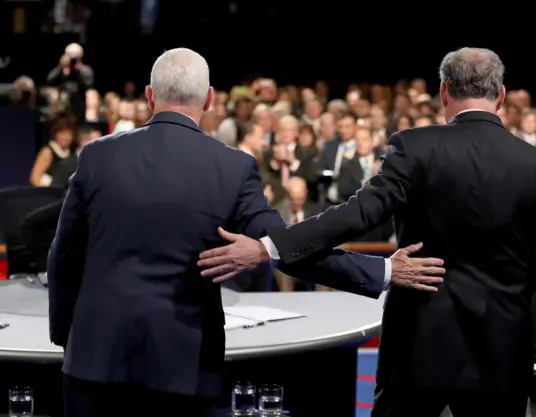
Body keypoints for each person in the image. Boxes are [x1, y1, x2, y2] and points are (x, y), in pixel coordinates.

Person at [47, 48, 446, 417]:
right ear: (208, 100)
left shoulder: (97, 155)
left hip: (92, 360)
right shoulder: (231, 167)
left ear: (150, 96)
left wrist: (69, 338)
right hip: (182, 365)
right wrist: (384, 271)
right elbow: (287, 246)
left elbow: (63, 256)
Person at [199, 48, 536, 417]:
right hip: (502, 344)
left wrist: (269, 248)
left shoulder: (415, 147)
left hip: (420, 340)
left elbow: (357, 214)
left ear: (443, 93)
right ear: (500, 95)